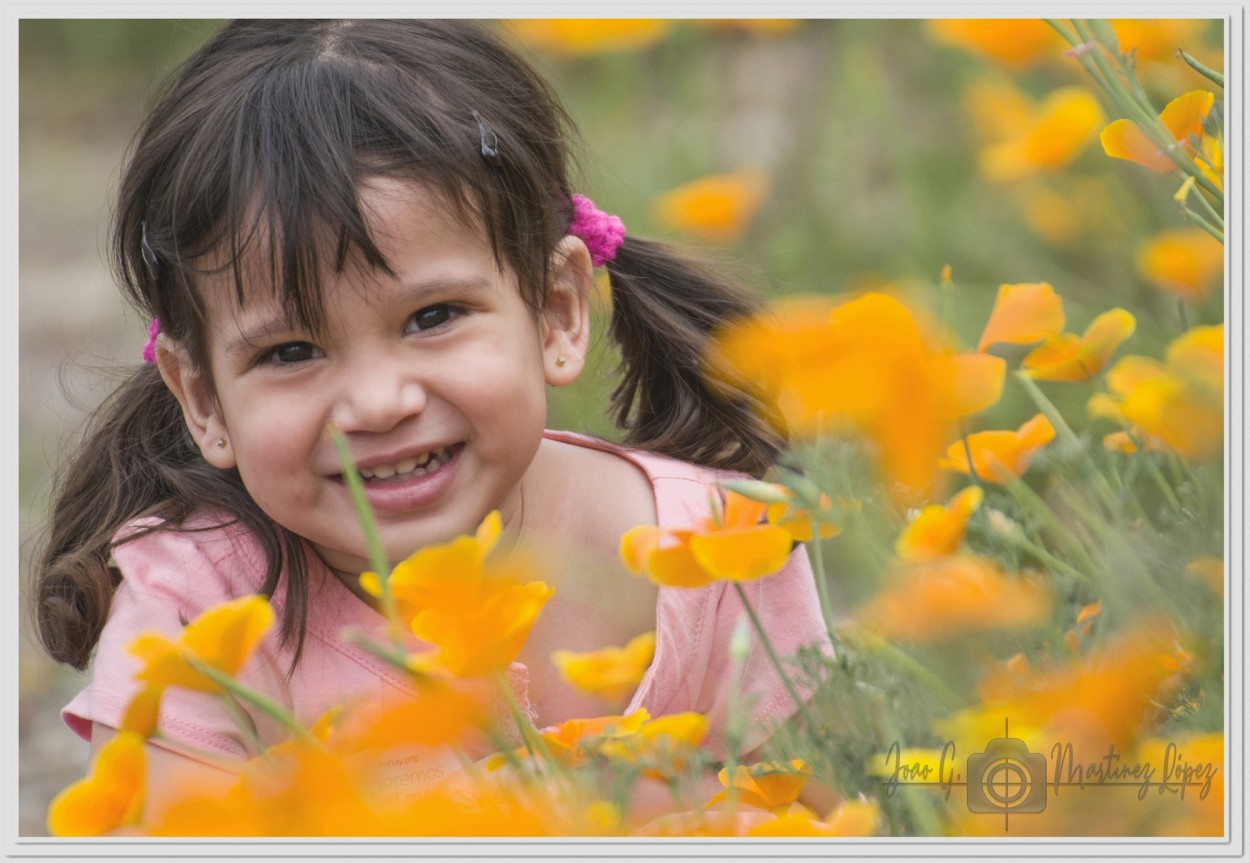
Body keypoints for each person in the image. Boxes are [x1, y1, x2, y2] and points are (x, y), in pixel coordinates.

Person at [32, 19, 831, 814]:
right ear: (203, 398)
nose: (379, 402)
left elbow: (831, 812)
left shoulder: (717, 549)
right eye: (290, 352)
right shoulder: (194, 613)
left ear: (556, 312)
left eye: (433, 316)